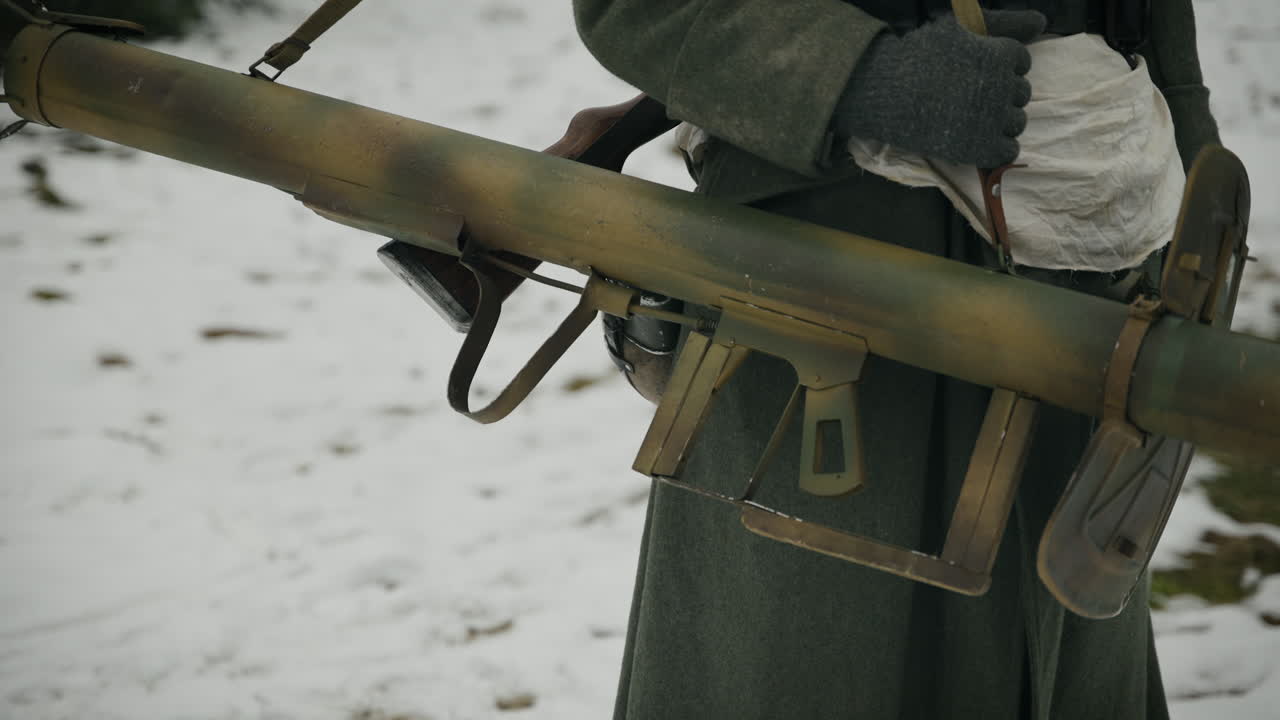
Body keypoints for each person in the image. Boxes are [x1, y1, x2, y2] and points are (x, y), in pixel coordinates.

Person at [572, 1, 1222, 718]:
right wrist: (864, 77)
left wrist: (1190, 145)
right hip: (830, 273)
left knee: (1064, 621)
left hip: (1090, 230)